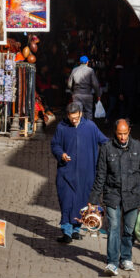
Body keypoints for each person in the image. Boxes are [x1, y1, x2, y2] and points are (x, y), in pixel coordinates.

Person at [88, 119, 140, 276]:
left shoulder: (138, 148)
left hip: (133, 195)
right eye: (120, 134)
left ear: (129, 131)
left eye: (125, 134)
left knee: (129, 229)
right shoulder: (106, 148)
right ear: (115, 132)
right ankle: (112, 262)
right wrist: (93, 199)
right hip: (113, 194)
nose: (123, 137)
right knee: (113, 227)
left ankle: (126, 257)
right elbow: (101, 175)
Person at [51, 102, 109, 243]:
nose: (74, 120)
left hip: (86, 174)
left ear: (81, 114)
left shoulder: (90, 127)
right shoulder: (62, 127)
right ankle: (66, 231)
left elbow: (104, 141)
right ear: (68, 116)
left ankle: (76, 229)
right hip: (66, 173)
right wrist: (61, 154)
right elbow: (55, 145)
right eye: (72, 118)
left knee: (82, 202)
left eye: (76, 117)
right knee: (66, 201)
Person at [67, 56, 101, 120]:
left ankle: (79, 128)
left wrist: (73, 92)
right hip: (87, 95)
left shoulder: (74, 70)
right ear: (87, 62)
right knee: (88, 113)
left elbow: (69, 84)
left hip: (76, 95)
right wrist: (98, 94)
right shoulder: (90, 70)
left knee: (78, 113)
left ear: (79, 62)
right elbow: (95, 84)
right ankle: (88, 128)